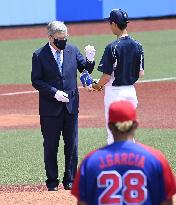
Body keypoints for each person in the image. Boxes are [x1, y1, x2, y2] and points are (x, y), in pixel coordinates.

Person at [72, 100, 176, 205]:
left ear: (110, 126)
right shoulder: (155, 159)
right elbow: (166, 201)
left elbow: (82, 202)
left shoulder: (91, 162)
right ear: (135, 124)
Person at [31, 21, 95, 191]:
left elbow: (85, 70)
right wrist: (53, 92)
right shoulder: (39, 55)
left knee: (72, 145)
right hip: (50, 109)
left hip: (71, 107)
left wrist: (90, 60)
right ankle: (52, 182)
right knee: (51, 146)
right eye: (59, 38)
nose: (63, 41)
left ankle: (70, 180)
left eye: (65, 38)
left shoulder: (72, 50)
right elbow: (36, 80)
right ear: (50, 37)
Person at [92, 9, 145, 144]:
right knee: (128, 133)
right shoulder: (138, 45)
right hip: (131, 93)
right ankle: (131, 163)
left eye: (110, 23)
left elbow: (106, 77)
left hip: (115, 94)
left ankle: (115, 165)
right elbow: (141, 73)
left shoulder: (112, 47)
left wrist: (97, 85)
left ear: (114, 24)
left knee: (113, 134)